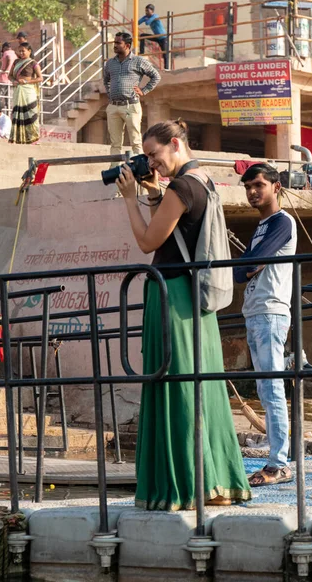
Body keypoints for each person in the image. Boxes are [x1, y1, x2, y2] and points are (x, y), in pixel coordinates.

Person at [115, 119, 251, 510]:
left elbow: (147, 242)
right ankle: (215, 483)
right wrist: (153, 194)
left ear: (175, 144)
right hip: (197, 299)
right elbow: (182, 233)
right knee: (200, 387)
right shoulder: (202, 180)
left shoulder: (181, 187)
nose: (150, 164)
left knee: (173, 384)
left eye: (154, 155)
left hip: (173, 296)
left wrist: (129, 198)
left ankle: (182, 487)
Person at [234, 163, 297, 487]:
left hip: (271, 312)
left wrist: (248, 266)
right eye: (248, 187)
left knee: (272, 390)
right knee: (264, 388)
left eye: (258, 185)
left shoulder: (282, 222)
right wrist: (247, 266)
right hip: (255, 312)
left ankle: (279, 463)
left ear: (276, 186)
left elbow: (250, 264)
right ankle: (277, 458)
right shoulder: (261, 227)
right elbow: (240, 271)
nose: (252, 192)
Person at [103, 32, 161, 167]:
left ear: (127, 45)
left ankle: (140, 170)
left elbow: (156, 76)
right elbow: (106, 80)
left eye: (118, 43)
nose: (115, 46)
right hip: (113, 107)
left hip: (131, 105)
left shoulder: (138, 61)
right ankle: (114, 172)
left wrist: (144, 91)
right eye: (114, 43)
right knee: (115, 143)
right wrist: (110, 93)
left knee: (135, 141)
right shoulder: (110, 63)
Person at [8, 43, 43, 144]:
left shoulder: (33, 63)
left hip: (28, 91)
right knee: (17, 113)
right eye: (20, 51)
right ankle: (18, 138)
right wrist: (13, 81)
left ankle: (34, 138)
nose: (21, 53)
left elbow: (40, 78)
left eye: (23, 51)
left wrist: (27, 82)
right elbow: (9, 76)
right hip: (18, 89)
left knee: (30, 112)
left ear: (29, 51)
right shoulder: (16, 62)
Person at [138, 4, 168, 69]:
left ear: (152, 11)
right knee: (142, 36)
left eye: (148, 11)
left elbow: (147, 23)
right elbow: (138, 22)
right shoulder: (146, 16)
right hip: (157, 37)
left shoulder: (155, 16)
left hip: (163, 37)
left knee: (165, 53)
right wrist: (144, 18)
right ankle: (141, 52)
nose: (146, 12)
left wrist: (145, 18)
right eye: (145, 11)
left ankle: (166, 68)